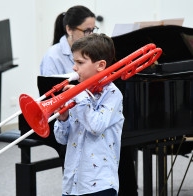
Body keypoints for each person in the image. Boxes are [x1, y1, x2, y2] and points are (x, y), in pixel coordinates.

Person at [53, 33, 124, 196]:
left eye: (80, 62)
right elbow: (61, 139)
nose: (74, 67)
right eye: (74, 61)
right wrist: (63, 119)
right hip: (73, 182)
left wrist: (80, 96)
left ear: (100, 65)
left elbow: (95, 126)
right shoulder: (80, 94)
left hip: (100, 184)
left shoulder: (113, 94)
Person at [40, 5, 98, 76]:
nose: (91, 35)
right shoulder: (52, 56)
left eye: (93, 30)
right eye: (87, 31)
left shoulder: (92, 50)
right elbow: (49, 85)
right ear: (69, 29)